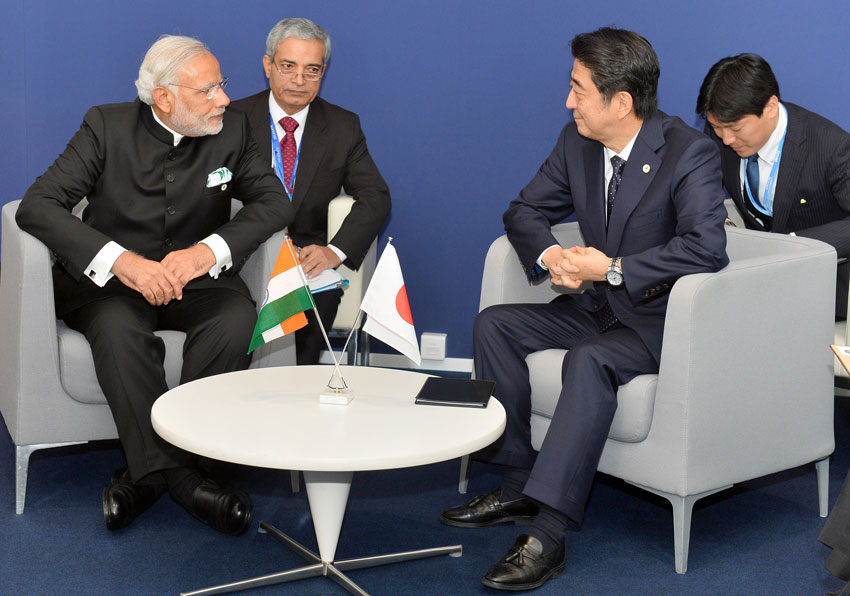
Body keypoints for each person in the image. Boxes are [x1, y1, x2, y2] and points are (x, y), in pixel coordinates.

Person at [440, 27, 728, 591]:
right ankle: (518, 484)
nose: (568, 101)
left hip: (657, 322)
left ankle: (547, 534)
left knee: (590, 360)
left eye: (578, 89)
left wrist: (612, 268)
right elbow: (523, 210)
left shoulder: (688, 152)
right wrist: (553, 256)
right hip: (595, 307)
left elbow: (705, 248)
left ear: (620, 102)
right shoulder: (576, 143)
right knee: (495, 325)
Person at [15, 35, 293, 534]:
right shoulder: (105, 126)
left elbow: (275, 203)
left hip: (199, 282)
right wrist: (122, 262)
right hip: (114, 286)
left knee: (236, 320)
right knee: (118, 331)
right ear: (164, 97)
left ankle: (149, 478)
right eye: (208, 91)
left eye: (222, 85)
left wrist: (206, 252)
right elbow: (38, 205)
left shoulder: (232, 128)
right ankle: (187, 482)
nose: (224, 99)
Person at [231, 17, 391, 365]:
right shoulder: (232, 119)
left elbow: (376, 196)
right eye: (288, 66)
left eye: (312, 70)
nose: (299, 80)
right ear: (268, 66)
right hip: (243, 253)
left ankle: (295, 392)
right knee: (228, 314)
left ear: (323, 72)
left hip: (304, 260)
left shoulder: (342, 126)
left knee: (318, 302)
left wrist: (334, 252)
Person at [696, 53, 850, 318]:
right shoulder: (720, 133)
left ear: (770, 107)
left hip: (823, 288)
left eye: (735, 127)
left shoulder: (831, 148)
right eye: (716, 127)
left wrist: (795, 246)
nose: (726, 138)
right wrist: (724, 225)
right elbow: (701, 189)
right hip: (753, 283)